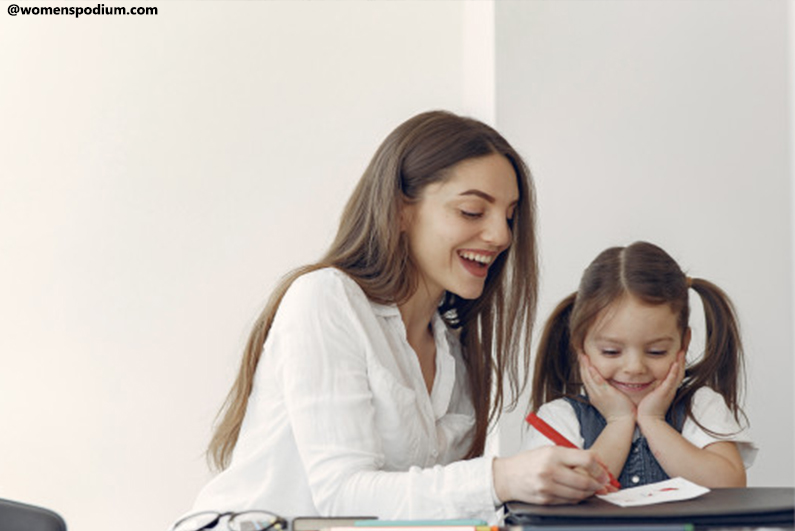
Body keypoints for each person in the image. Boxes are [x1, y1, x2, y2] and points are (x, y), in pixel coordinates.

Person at [184, 111, 614, 524]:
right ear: (400, 210)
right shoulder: (327, 298)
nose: (501, 236)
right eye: (471, 211)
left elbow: (424, 510)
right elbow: (340, 498)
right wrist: (502, 478)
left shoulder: (453, 351)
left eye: (509, 216)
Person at [525, 241, 757, 490]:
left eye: (656, 351)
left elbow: (730, 486)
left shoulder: (700, 406)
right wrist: (618, 421)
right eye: (611, 351)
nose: (634, 367)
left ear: (683, 344)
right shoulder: (559, 417)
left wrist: (653, 420)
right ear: (580, 345)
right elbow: (564, 492)